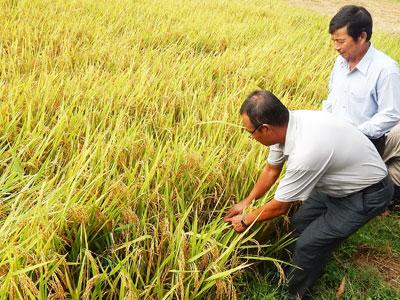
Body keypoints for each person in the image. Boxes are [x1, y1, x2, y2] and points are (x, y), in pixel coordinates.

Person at [224, 90, 393, 299]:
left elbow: (280, 206)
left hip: (366, 193)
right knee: (299, 225)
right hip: (335, 184)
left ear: (265, 128)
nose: (251, 137)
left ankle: (294, 294)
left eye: (250, 133)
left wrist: (246, 220)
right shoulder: (286, 126)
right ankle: (293, 271)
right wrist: (247, 201)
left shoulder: (306, 151)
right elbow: (271, 170)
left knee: (309, 244)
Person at [321, 5, 400, 205]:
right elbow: (332, 98)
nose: (336, 47)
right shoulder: (339, 63)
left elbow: (391, 113)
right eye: (333, 41)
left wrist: (356, 133)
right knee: (329, 189)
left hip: (366, 142)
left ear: (362, 37)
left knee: (353, 196)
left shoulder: (386, 70)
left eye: (341, 41)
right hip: (334, 137)